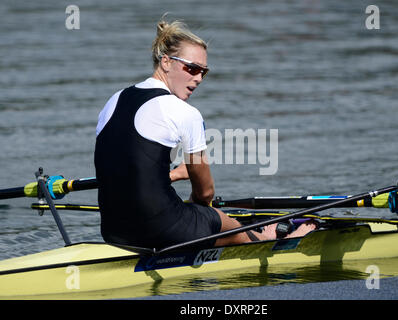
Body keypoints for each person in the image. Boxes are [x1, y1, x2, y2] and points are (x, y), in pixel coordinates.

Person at [94, 18, 316, 250]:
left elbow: (123, 167)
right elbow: (205, 192)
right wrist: (196, 208)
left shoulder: (114, 100)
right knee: (219, 219)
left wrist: (172, 176)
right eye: (192, 68)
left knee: (192, 217)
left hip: (113, 231)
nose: (198, 78)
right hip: (159, 228)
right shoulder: (184, 112)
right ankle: (270, 241)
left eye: (204, 72)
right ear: (166, 62)